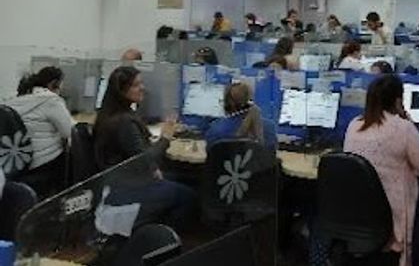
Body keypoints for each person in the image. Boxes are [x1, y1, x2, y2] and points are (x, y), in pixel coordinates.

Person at [93, 66, 196, 229]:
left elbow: (137, 155)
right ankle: (161, 237)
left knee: (181, 178)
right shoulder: (124, 122)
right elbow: (143, 159)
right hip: (128, 187)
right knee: (188, 195)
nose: (142, 88)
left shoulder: (111, 114)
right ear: (121, 91)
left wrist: (153, 168)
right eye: (136, 85)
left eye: (141, 83)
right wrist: (165, 138)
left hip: (120, 180)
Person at [344, 75, 419, 266]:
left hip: (358, 219)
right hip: (392, 225)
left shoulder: (354, 125)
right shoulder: (403, 128)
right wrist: (407, 120)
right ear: (398, 101)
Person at [7, 67, 73, 197]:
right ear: (53, 83)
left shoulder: (16, 98)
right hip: (43, 161)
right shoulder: (51, 100)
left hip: (16, 159)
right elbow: (67, 132)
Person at [205, 82, 277, 149]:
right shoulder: (270, 128)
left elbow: (210, 155)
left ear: (227, 105)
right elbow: (272, 154)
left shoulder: (215, 129)